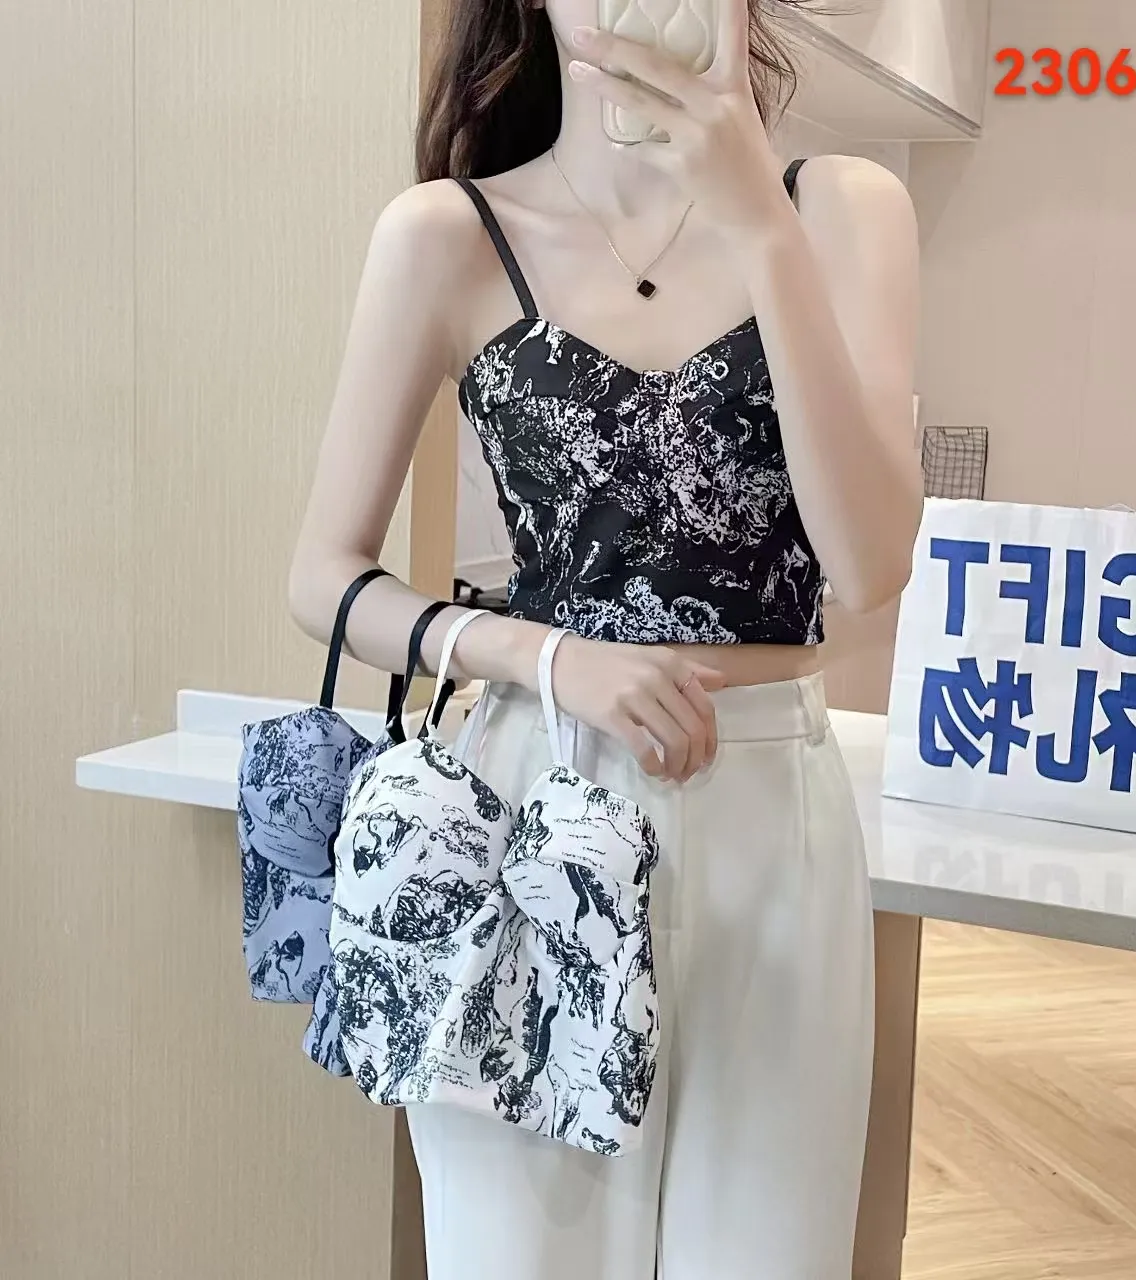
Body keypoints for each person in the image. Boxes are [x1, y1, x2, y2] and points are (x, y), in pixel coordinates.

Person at [288, 0, 922, 1274]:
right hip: (533, 797)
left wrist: (757, 224)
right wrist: (543, 655)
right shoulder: (447, 234)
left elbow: (866, 568)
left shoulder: (840, 209)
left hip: (770, 813)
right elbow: (325, 575)